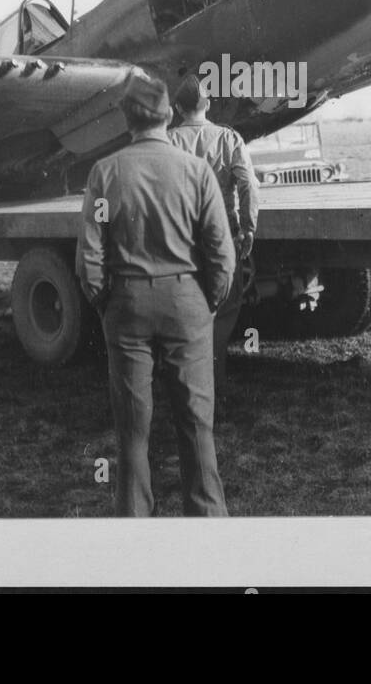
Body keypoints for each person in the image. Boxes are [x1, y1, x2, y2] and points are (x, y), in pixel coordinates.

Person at [76, 72, 235, 517]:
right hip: (188, 304)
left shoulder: (105, 173)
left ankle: (135, 532)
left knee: (132, 430)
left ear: (127, 118)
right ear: (168, 115)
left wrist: (106, 301)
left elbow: (90, 255)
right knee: (197, 424)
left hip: (126, 307)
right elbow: (221, 251)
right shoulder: (197, 171)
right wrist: (208, 301)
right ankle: (208, 525)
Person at [167, 74, 259, 412]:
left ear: (177, 108)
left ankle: (188, 395)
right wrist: (248, 229)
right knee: (222, 313)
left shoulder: (167, 142)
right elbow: (249, 185)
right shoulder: (229, 138)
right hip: (222, 238)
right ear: (208, 104)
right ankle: (214, 393)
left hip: (182, 241)